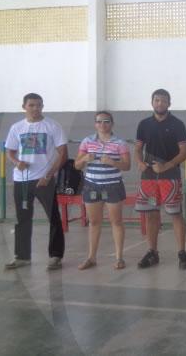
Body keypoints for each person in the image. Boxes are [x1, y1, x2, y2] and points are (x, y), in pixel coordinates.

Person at [4, 93, 66, 270]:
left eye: (39, 105)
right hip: (22, 181)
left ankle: (55, 256)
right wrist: (17, 162)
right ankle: (22, 257)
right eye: (31, 105)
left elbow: (62, 153)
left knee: (53, 217)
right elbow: (11, 151)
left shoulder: (52, 126)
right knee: (23, 218)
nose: (35, 108)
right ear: (24, 106)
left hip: (44, 181)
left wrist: (48, 176)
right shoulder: (17, 128)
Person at [135, 89, 186, 269]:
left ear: (169, 103)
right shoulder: (143, 124)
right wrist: (139, 162)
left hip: (170, 177)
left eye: (163, 100)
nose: (160, 103)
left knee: (175, 215)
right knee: (151, 214)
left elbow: (185, 152)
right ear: (152, 102)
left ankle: (182, 253)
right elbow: (137, 148)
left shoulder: (177, 124)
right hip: (149, 178)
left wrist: (166, 166)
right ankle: (152, 252)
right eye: (157, 100)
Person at [74, 111, 130, 270]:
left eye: (106, 121)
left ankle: (119, 257)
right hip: (92, 185)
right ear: (95, 124)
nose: (102, 125)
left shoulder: (120, 142)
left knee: (116, 222)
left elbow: (127, 166)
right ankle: (91, 258)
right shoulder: (87, 141)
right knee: (94, 222)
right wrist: (85, 159)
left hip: (113, 185)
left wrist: (113, 162)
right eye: (99, 122)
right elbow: (77, 165)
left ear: (112, 124)